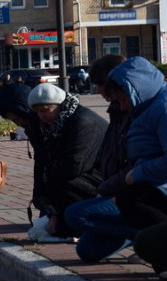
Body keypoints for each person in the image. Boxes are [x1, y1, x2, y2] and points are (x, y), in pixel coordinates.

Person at [64, 54, 137, 263]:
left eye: (102, 85)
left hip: (136, 193)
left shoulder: (135, 112)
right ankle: (135, 235)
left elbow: (137, 163)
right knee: (87, 251)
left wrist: (108, 190)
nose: (99, 91)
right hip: (117, 187)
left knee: (76, 214)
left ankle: (148, 237)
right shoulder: (117, 110)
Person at [27, 83, 107, 238]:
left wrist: (55, 210)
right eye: (37, 112)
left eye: (45, 110)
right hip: (82, 175)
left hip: (100, 178)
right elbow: (45, 163)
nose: (41, 116)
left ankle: (76, 221)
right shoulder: (55, 124)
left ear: (59, 105)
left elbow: (72, 167)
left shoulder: (82, 122)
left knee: (63, 183)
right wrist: (43, 201)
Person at [108, 57, 167, 251]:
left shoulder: (164, 108)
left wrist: (137, 174)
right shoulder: (149, 107)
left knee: (130, 199)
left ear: (137, 90)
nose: (124, 106)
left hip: (159, 185)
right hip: (156, 183)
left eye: (124, 99)